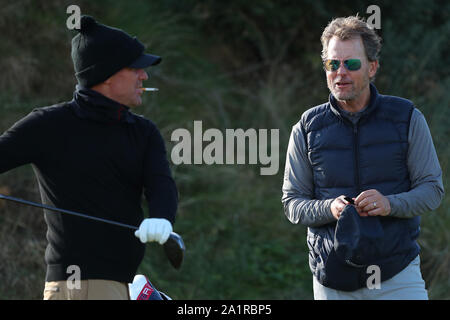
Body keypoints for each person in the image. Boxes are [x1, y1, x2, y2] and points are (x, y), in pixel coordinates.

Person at [0, 15, 178, 300]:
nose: (144, 76)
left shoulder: (143, 132)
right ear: (107, 75)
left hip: (120, 285)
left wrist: (162, 218)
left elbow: (161, 185)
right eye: (136, 68)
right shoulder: (49, 124)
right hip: (79, 285)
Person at [281, 16, 444, 300]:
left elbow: (432, 189)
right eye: (333, 64)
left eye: (351, 64)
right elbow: (292, 203)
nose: (340, 72)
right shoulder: (307, 127)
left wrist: (389, 203)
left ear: (372, 67)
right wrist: (329, 208)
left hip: (397, 274)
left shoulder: (407, 118)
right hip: (332, 279)